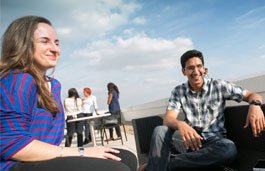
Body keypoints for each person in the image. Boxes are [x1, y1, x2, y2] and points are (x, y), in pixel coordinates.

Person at [0, 16, 137, 171]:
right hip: (15, 163)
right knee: (115, 168)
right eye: (44, 41)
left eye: (56, 43)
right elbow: (11, 144)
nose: (55, 49)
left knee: (126, 158)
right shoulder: (17, 80)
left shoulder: (54, 85)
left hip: (44, 159)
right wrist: (81, 152)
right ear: (22, 44)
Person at [139, 49, 265, 171]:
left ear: (204, 69)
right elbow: (168, 119)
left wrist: (254, 105)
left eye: (199, 66)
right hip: (188, 141)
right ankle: (161, 163)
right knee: (160, 130)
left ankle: (160, 164)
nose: (196, 71)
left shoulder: (219, 86)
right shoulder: (178, 91)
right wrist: (180, 124)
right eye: (190, 68)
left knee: (229, 149)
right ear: (184, 71)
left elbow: (251, 95)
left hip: (214, 142)